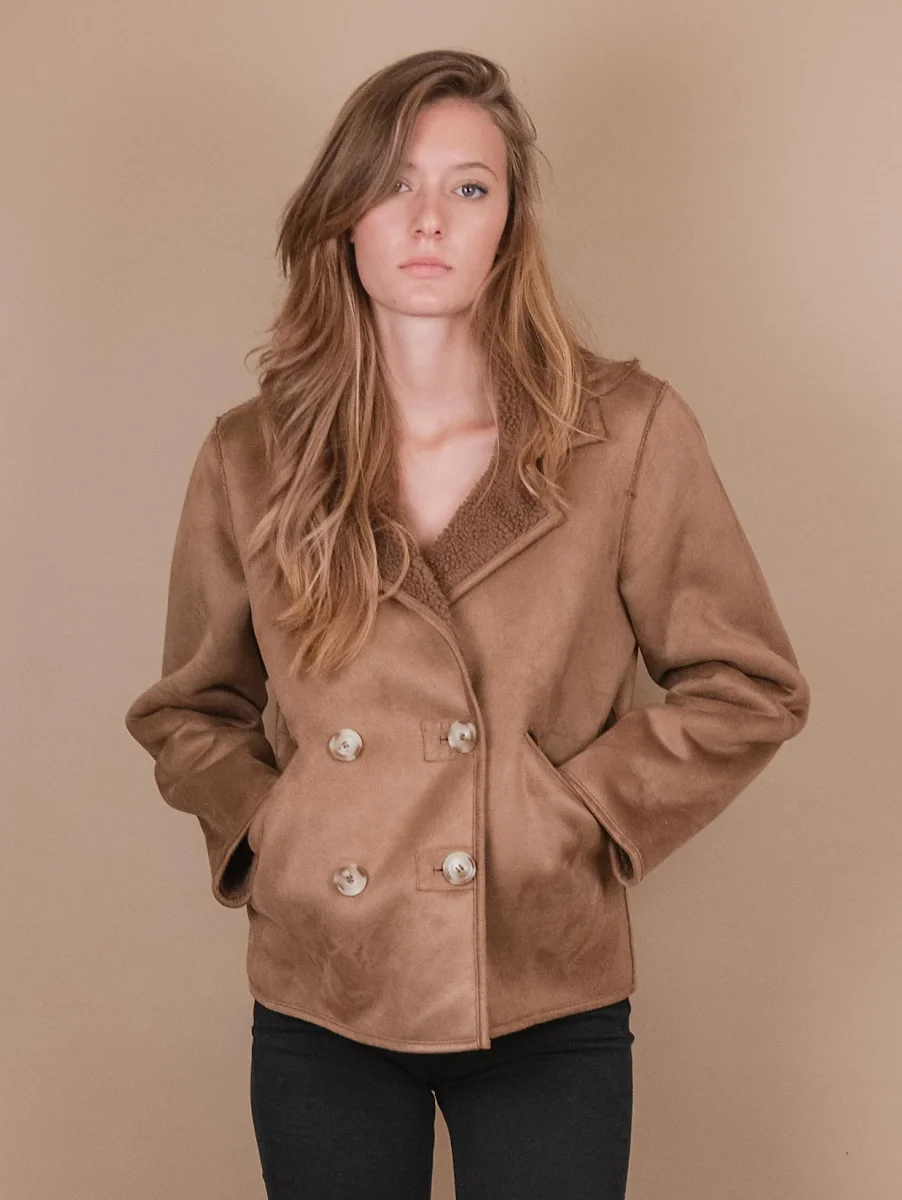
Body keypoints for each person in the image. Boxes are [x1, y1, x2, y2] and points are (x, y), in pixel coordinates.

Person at [124, 48, 811, 1200]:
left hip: (543, 978)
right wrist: (279, 826)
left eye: (468, 186)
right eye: (393, 182)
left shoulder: (623, 433)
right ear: (343, 214)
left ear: (508, 222)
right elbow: (189, 707)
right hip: (324, 987)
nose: (428, 218)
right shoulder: (253, 454)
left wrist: (569, 815)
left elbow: (749, 684)